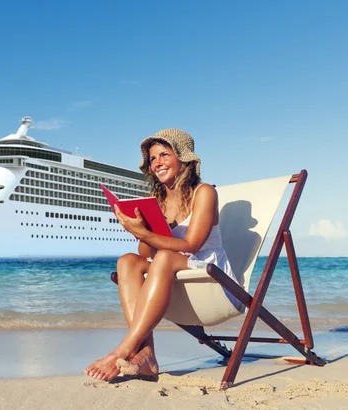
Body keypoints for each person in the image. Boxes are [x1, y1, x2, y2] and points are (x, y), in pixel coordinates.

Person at [84, 128, 239, 381]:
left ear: (183, 158)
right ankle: (146, 355)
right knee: (128, 261)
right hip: (176, 279)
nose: (157, 163)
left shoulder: (205, 192)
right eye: (153, 159)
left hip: (212, 279)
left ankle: (124, 349)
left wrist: (145, 234)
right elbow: (145, 252)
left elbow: (191, 245)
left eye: (164, 155)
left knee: (164, 257)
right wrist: (139, 229)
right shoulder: (158, 201)